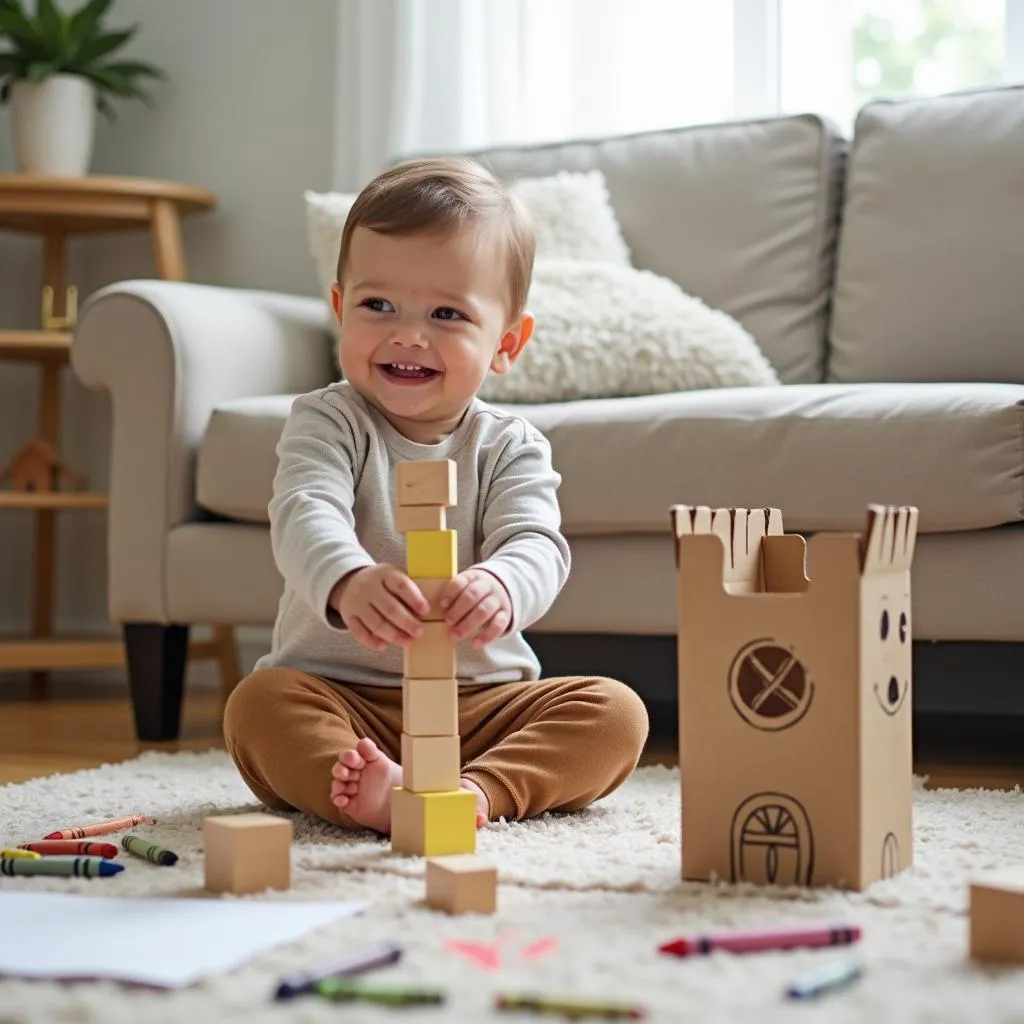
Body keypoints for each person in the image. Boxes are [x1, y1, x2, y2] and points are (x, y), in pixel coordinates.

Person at [223, 156, 649, 835]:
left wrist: (503, 585)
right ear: (340, 310)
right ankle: (370, 791)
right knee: (258, 706)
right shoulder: (328, 421)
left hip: (480, 705)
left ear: (506, 343)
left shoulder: (510, 444)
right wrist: (348, 579)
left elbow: (537, 543)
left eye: (446, 313)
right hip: (340, 697)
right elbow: (305, 509)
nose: (408, 334)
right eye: (377, 305)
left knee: (616, 713)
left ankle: (478, 793)